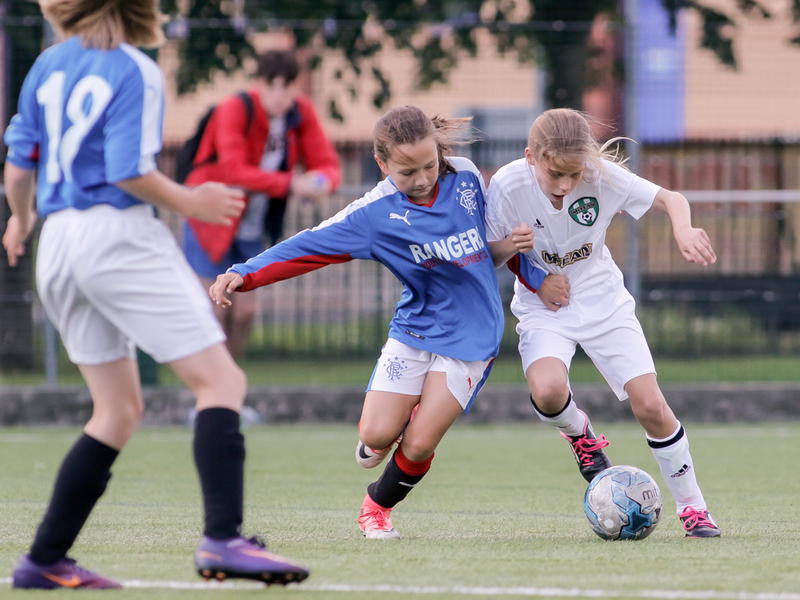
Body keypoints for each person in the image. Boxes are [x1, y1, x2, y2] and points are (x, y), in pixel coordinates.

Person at [2, 0, 309, 588]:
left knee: (117, 411)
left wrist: (19, 220)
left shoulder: (45, 65)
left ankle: (43, 560)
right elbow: (125, 171)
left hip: (58, 243)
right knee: (222, 381)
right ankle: (223, 538)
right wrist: (194, 202)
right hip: (115, 235)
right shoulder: (134, 69)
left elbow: (18, 171)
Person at [210, 105, 504, 540]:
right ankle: (397, 421)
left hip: (473, 337)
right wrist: (246, 272)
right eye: (407, 171)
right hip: (416, 330)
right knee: (375, 436)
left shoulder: (465, 176)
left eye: (429, 165)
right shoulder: (374, 214)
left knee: (420, 443)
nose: (423, 179)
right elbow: (309, 244)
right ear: (382, 164)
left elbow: (499, 240)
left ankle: (376, 509)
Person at [485, 108, 721, 538]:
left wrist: (684, 229)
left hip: (603, 298)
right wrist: (531, 273)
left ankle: (694, 508)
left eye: (574, 175)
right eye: (556, 173)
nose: (565, 185)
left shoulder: (600, 176)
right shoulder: (506, 184)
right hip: (544, 307)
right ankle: (581, 434)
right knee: (548, 390)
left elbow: (671, 198)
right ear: (531, 157)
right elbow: (497, 253)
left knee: (650, 405)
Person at [182, 49, 341, 360]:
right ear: (258, 83)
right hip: (211, 219)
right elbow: (233, 170)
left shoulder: (301, 114)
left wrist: (318, 184)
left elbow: (327, 165)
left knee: (244, 313)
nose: (279, 94)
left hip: (251, 221)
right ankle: (209, 394)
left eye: (287, 85)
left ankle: (230, 387)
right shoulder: (234, 109)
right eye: (272, 85)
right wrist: (290, 184)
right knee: (213, 312)